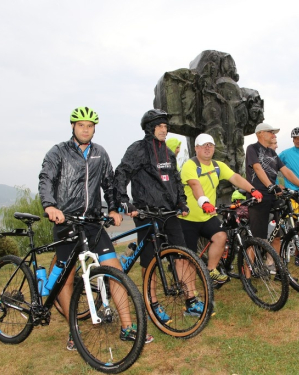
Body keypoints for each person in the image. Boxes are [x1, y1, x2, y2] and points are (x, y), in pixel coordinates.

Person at [38, 106, 150, 350]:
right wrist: (50, 206)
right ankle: (73, 331)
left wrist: (112, 209)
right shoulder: (58, 152)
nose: (85, 129)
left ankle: (128, 327)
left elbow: (109, 184)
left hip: (91, 223)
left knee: (115, 271)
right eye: (81, 125)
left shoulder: (100, 153)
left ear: (94, 129)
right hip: (65, 221)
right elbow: (46, 179)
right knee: (65, 280)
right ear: (73, 126)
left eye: (89, 126)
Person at [113, 109, 201, 321]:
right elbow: (122, 173)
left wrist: (182, 201)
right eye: (160, 126)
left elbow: (176, 180)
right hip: (146, 213)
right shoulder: (138, 149)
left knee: (182, 255)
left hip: (170, 213)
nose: (164, 129)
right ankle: (152, 303)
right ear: (149, 128)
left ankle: (191, 300)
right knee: (150, 261)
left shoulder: (168, 152)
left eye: (165, 126)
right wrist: (124, 201)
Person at [179, 133, 263, 286]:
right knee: (188, 258)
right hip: (187, 218)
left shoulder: (217, 166)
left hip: (207, 216)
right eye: (203, 145)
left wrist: (252, 190)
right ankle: (189, 291)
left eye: (210, 145)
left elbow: (235, 178)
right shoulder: (190, 165)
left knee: (221, 236)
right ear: (196, 148)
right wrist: (204, 202)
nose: (207, 148)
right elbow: (194, 185)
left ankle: (211, 271)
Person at [245, 123, 299, 266]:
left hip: (273, 196)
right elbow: (257, 167)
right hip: (258, 197)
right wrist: (270, 186)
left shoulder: (272, 153)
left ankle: (275, 266)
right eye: (271, 132)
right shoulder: (252, 148)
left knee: (277, 235)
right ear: (261, 133)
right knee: (258, 237)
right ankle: (248, 272)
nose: (274, 135)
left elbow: (286, 171)